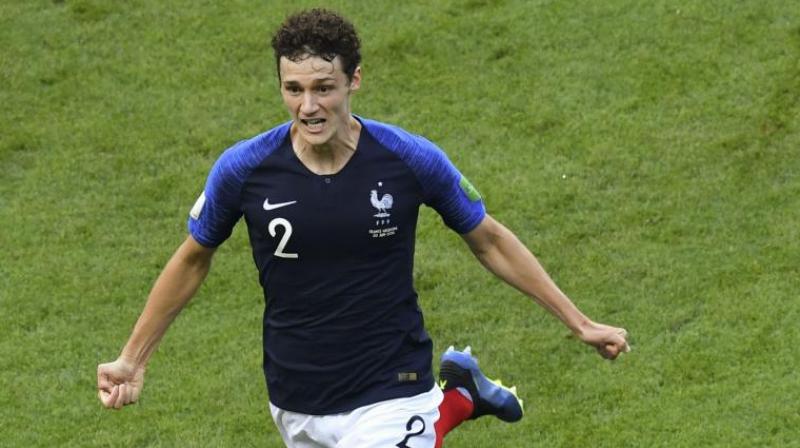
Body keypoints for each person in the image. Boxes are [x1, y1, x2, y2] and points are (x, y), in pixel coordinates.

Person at [97, 9, 630, 447]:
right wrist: (132, 360)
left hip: (391, 384)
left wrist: (579, 322)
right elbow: (193, 257)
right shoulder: (245, 169)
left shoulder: (407, 159)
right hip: (295, 396)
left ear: (354, 80)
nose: (308, 106)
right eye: (294, 88)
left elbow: (488, 238)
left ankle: (439, 406)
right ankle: (459, 399)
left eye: (324, 87)